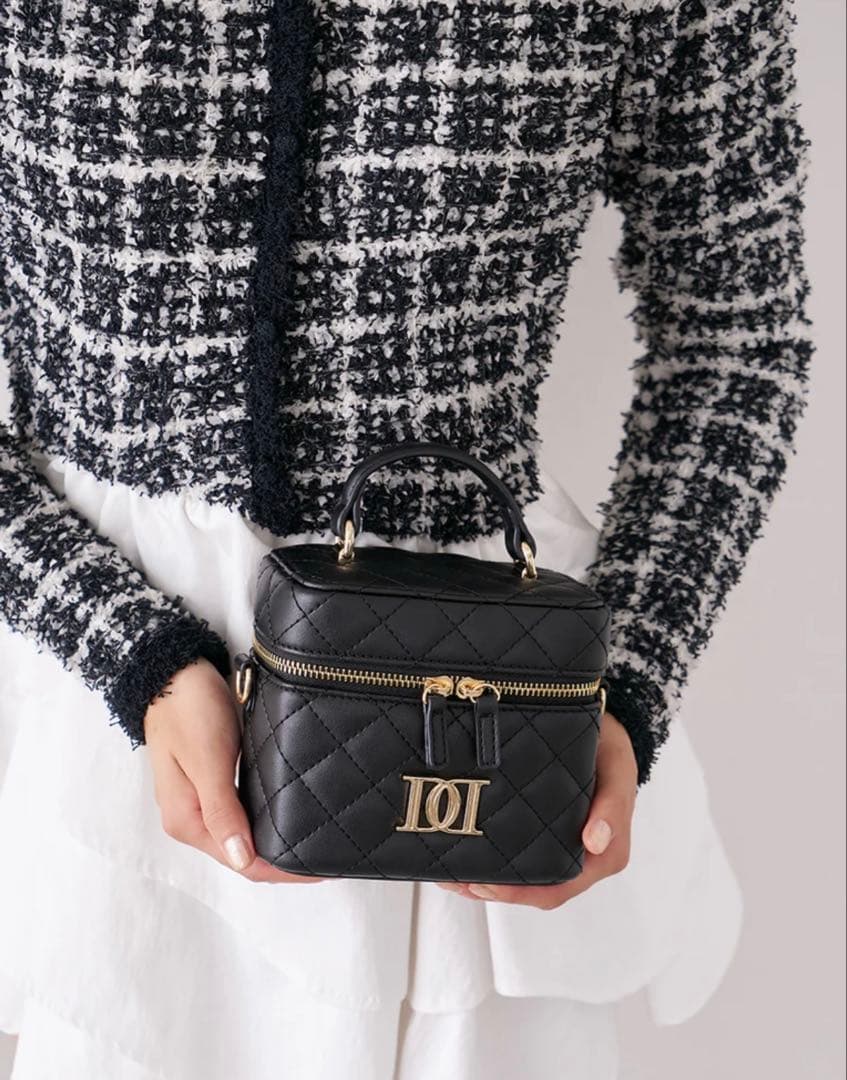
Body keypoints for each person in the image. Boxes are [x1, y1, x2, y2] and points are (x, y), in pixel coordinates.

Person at [0, 1, 813, 1076]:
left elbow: (740, 338)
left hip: (481, 720)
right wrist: (130, 649)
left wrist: (624, 687)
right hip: (97, 709)